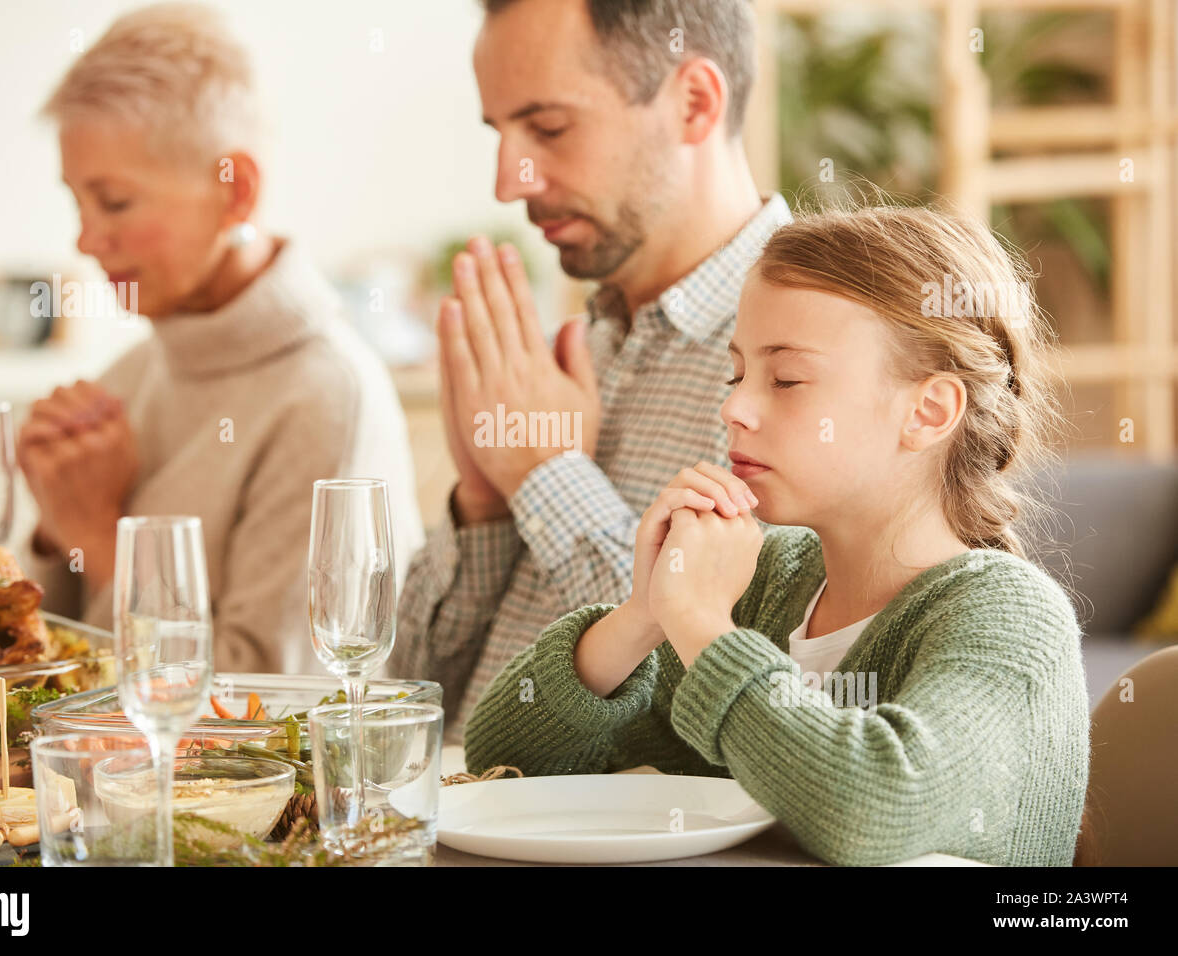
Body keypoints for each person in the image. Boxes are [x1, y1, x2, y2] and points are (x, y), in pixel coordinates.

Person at [464, 204, 1091, 867]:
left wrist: (704, 624)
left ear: (928, 411)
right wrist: (644, 616)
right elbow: (506, 761)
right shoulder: (771, 588)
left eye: (786, 379)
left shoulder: (1008, 617)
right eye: (736, 374)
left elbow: (873, 811)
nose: (733, 407)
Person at [393, 0, 791, 741]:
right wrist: (484, 504)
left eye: (547, 128)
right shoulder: (573, 351)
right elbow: (415, 693)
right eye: (500, 133)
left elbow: (708, 701)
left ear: (695, 103)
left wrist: (546, 472)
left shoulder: (810, 360)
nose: (507, 185)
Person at [20, 3, 423, 674]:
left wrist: (96, 529)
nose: (86, 241)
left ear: (236, 193)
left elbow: (271, 706)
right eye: (77, 203)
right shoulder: (128, 374)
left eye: (115, 202)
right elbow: (48, 664)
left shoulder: (326, 399)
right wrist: (52, 519)